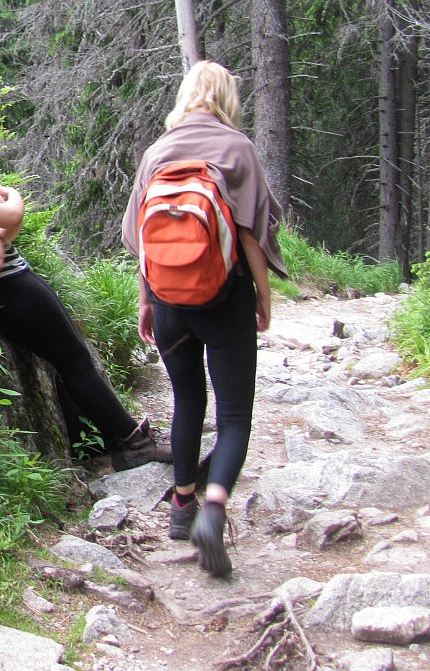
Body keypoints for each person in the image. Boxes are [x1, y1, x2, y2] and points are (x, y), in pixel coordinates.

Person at [0, 107, 171, 473]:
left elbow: (6, 225)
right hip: (2, 287)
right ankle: (132, 444)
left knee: (69, 360)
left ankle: (104, 440)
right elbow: (11, 214)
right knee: (74, 360)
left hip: (10, 280)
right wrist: (14, 200)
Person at [121, 60, 286, 577]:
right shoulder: (238, 149)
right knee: (234, 415)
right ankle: (213, 510)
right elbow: (252, 234)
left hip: (169, 302)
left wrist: (147, 302)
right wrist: (263, 295)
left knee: (187, 400)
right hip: (225, 298)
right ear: (226, 98)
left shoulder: (157, 152)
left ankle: (181, 504)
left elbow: (141, 239)